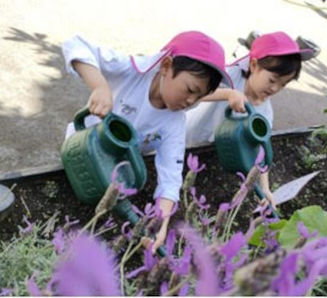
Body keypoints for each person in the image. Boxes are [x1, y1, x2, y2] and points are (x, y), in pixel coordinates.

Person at [62, 31, 232, 252]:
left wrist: (160, 223)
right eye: (190, 90)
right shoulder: (132, 71)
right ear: (166, 66)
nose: (191, 101)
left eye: (199, 97)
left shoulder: (174, 123)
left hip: (117, 172)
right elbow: (75, 44)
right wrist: (100, 86)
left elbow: (171, 176)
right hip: (80, 151)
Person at [186, 31, 313, 208]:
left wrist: (265, 188)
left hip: (213, 151)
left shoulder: (264, 110)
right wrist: (227, 94)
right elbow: (193, 92)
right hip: (188, 138)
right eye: (272, 80)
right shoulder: (229, 77)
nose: (275, 88)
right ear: (254, 65)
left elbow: (261, 149)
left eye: (283, 84)